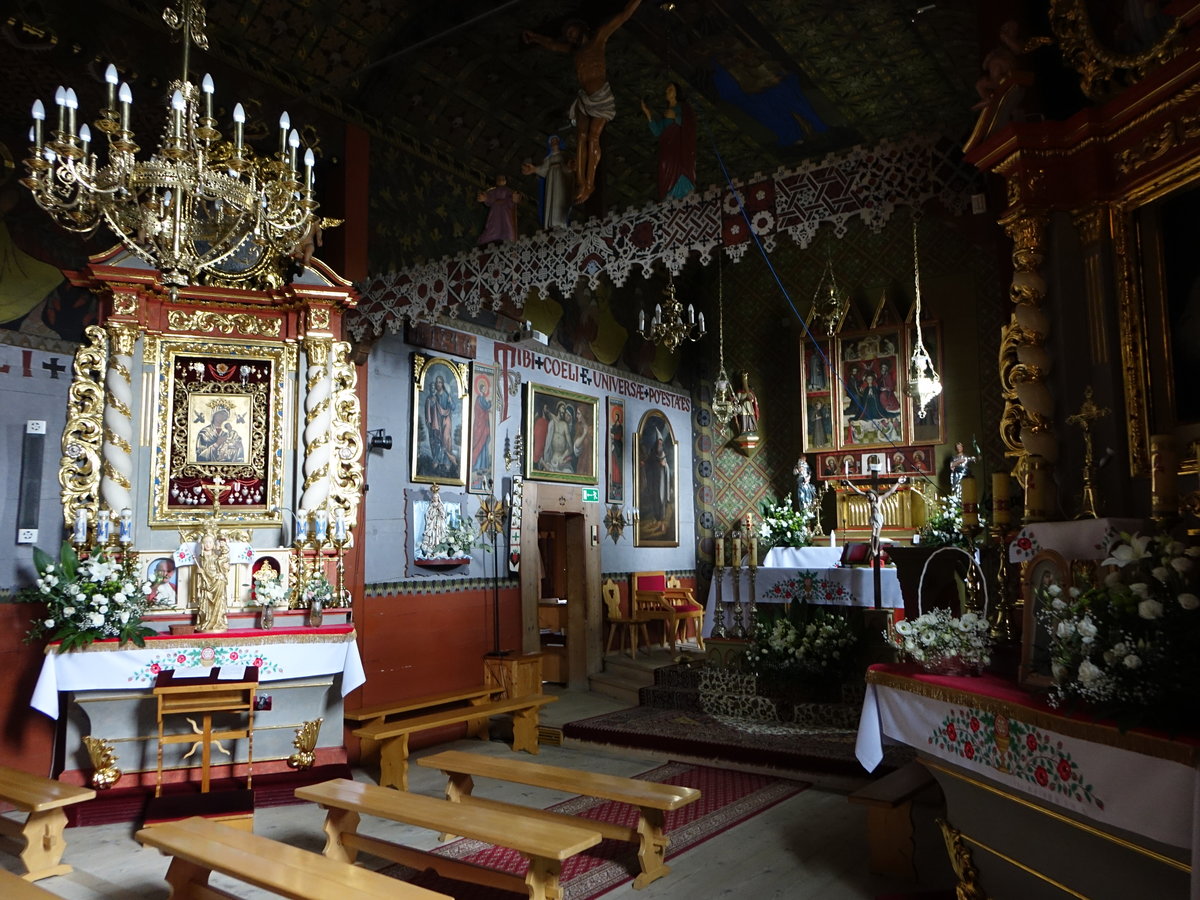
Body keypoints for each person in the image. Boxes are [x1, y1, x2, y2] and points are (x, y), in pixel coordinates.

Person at [522, 0, 642, 204]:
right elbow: (553, 45)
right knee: (581, 137)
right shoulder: (574, 51)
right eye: (567, 34)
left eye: (572, 31)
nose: (569, 36)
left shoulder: (598, 39)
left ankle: (590, 182)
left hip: (600, 95)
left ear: (582, 27)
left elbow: (623, 15)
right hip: (584, 98)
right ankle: (580, 181)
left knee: (593, 138)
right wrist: (535, 38)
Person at [640, 81, 696, 201]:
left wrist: (676, 118)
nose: (667, 91)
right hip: (667, 149)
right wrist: (648, 114)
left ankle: (683, 194)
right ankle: (669, 196)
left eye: (670, 89)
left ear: (676, 93)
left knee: (679, 170)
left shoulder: (682, 108)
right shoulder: (667, 112)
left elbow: (689, 125)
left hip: (679, 148)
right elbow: (658, 131)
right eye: (667, 90)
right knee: (664, 166)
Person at [844, 475, 907, 562]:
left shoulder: (880, 499)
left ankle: (875, 549)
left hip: (878, 518)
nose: (869, 498)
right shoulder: (870, 499)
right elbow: (858, 491)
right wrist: (850, 484)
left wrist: (898, 482)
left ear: (874, 494)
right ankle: (873, 549)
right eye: (868, 497)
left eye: (871, 497)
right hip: (873, 518)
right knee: (873, 534)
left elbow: (890, 491)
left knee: (877, 535)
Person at [522, 135, 573, 229]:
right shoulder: (548, 159)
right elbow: (543, 169)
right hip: (551, 181)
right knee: (551, 199)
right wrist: (533, 169)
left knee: (560, 198)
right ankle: (551, 223)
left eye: (555, 140)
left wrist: (569, 168)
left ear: (559, 142)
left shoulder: (564, 155)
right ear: (550, 144)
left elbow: (570, 167)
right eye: (552, 141)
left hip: (561, 180)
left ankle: (561, 222)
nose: (554, 142)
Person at [193, 522, 230, 632]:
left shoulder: (216, 557)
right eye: (206, 542)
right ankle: (207, 621)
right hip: (206, 585)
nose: (208, 544)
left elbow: (223, 567)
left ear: (214, 544)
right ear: (202, 544)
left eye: (210, 542)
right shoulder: (201, 558)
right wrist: (200, 572)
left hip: (216, 583)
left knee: (218, 600)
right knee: (206, 604)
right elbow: (202, 571)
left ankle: (217, 621)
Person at [423, 374, 458, 475]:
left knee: (446, 441)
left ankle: (446, 462)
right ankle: (437, 461)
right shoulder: (434, 396)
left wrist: (450, 402)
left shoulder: (446, 395)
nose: (438, 384)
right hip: (437, 422)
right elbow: (430, 409)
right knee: (437, 441)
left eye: (440, 382)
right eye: (437, 382)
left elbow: (453, 407)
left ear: (442, 384)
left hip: (446, 422)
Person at [476, 174, 522, 245]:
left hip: (505, 211)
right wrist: (484, 198)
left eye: (502, 179)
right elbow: (489, 198)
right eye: (499, 179)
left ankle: (508, 237)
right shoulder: (492, 191)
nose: (500, 181)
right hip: (495, 211)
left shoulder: (508, 191)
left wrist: (514, 198)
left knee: (506, 223)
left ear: (505, 181)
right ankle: (489, 237)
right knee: (493, 223)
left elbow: (512, 200)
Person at [642, 429, 671, 521]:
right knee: (655, 498)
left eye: (661, 443)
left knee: (662, 497)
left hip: (662, 481)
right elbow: (648, 464)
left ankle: (661, 516)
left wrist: (664, 465)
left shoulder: (663, 454)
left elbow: (667, 467)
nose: (660, 445)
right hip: (654, 480)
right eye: (658, 443)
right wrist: (645, 464)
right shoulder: (652, 454)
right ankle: (656, 516)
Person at [470, 375, 492, 482]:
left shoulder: (480, 398)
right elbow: (485, 407)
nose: (484, 390)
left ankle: (482, 467)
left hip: (482, 425)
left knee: (483, 446)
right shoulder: (480, 398)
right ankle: (478, 466)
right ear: (481, 389)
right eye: (483, 388)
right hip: (481, 425)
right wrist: (490, 404)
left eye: (485, 388)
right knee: (480, 445)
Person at [418, 484, 450, 558]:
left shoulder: (440, 505)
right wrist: (432, 514)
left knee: (439, 534)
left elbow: (443, 514)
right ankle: (432, 546)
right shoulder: (431, 505)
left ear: (438, 498)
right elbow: (428, 515)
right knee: (432, 534)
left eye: (436, 497)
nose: (435, 498)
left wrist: (440, 510)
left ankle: (439, 547)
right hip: (432, 523)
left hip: (439, 523)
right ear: (432, 498)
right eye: (434, 497)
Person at [735, 372, 759, 436]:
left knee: (750, 417)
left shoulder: (750, 391)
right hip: (743, 407)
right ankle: (744, 429)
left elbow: (752, 398)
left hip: (749, 407)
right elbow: (737, 399)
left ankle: (751, 428)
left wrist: (747, 394)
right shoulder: (739, 392)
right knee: (744, 417)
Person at [609, 405, 624, 494]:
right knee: (613, 463)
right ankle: (614, 481)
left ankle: (618, 482)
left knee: (618, 465)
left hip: (618, 447)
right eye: (615, 416)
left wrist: (613, 436)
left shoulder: (620, 427)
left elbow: (619, 436)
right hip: (613, 447)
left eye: (617, 416)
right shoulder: (614, 425)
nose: (616, 418)